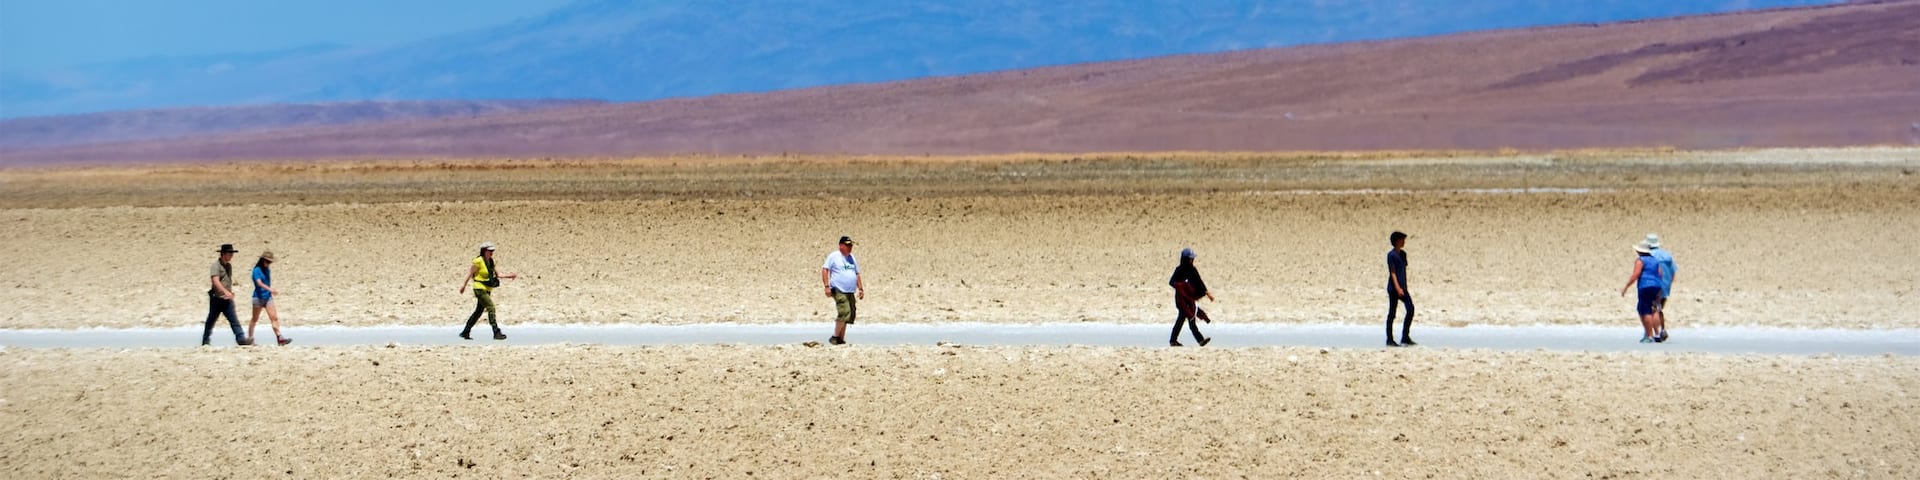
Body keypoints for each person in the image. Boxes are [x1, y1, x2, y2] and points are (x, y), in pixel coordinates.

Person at [459, 242, 518, 340]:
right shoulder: (478, 261)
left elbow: (498, 275)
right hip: (479, 288)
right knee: (491, 307)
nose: (491, 252)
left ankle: (465, 331)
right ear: (484, 251)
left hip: (487, 289)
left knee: (478, 311)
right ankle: (496, 332)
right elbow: (469, 274)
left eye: (492, 250)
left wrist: (509, 275)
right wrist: (463, 286)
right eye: (489, 250)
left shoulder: (491, 261)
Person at [202, 244, 252, 346]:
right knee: (211, 320)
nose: (231, 256)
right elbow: (215, 281)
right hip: (216, 299)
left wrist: (230, 293)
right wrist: (225, 292)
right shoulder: (215, 266)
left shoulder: (229, 266)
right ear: (223, 254)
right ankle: (205, 340)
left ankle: (241, 339)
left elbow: (227, 281)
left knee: (234, 320)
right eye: (230, 253)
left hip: (226, 299)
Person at [1620, 240, 1667, 343]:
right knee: (1654, 309)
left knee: (1644, 310)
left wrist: (1626, 287)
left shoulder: (1640, 260)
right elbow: (1660, 274)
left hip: (1645, 286)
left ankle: (1649, 336)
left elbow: (1636, 275)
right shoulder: (1655, 261)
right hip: (1657, 286)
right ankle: (1657, 333)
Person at [821, 236, 864, 345]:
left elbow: (856, 273)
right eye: (847, 245)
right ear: (841, 246)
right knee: (844, 311)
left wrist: (860, 288)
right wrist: (826, 286)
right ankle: (835, 336)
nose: (850, 247)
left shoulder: (851, 258)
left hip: (850, 291)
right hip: (839, 289)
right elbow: (825, 270)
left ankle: (841, 338)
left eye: (850, 245)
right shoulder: (834, 256)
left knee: (849, 314)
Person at [1168, 247, 1213, 347]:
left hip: (1189, 299)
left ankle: (1173, 340)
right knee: (1190, 319)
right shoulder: (1179, 270)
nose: (1192, 260)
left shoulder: (1193, 270)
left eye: (1192, 259)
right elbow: (1171, 282)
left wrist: (1207, 293)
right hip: (1181, 300)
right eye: (1190, 259)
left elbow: (1199, 281)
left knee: (1183, 319)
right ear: (1185, 259)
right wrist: (1182, 286)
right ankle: (1199, 340)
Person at [246, 251, 292, 346]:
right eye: (267, 261)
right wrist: (270, 289)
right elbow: (259, 283)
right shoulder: (256, 270)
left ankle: (279, 338)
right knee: (254, 319)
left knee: (274, 318)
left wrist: (269, 291)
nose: (268, 264)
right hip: (258, 298)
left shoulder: (267, 270)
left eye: (270, 262)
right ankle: (250, 338)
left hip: (268, 298)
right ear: (262, 260)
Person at [1385, 231, 1416, 347]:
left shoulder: (1403, 254)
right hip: (1394, 289)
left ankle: (1405, 337)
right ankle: (1389, 339)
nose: (1404, 242)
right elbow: (1392, 272)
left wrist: (1404, 287)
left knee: (1410, 309)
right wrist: (1398, 288)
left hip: (1403, 288)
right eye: (1402, 239)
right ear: (1397, 241)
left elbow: (1403, 271)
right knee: (1392, 314)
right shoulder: (1391, 255)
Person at [1646, 233, 1677, 343]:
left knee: (1654, 309)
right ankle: (1662, 330)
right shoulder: (1667, 255)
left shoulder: (1648, 256)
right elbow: (1673, 272)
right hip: (1665, 286)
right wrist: (1668, 284)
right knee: (1659, 308)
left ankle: (1658, 333)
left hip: (1654, 285)